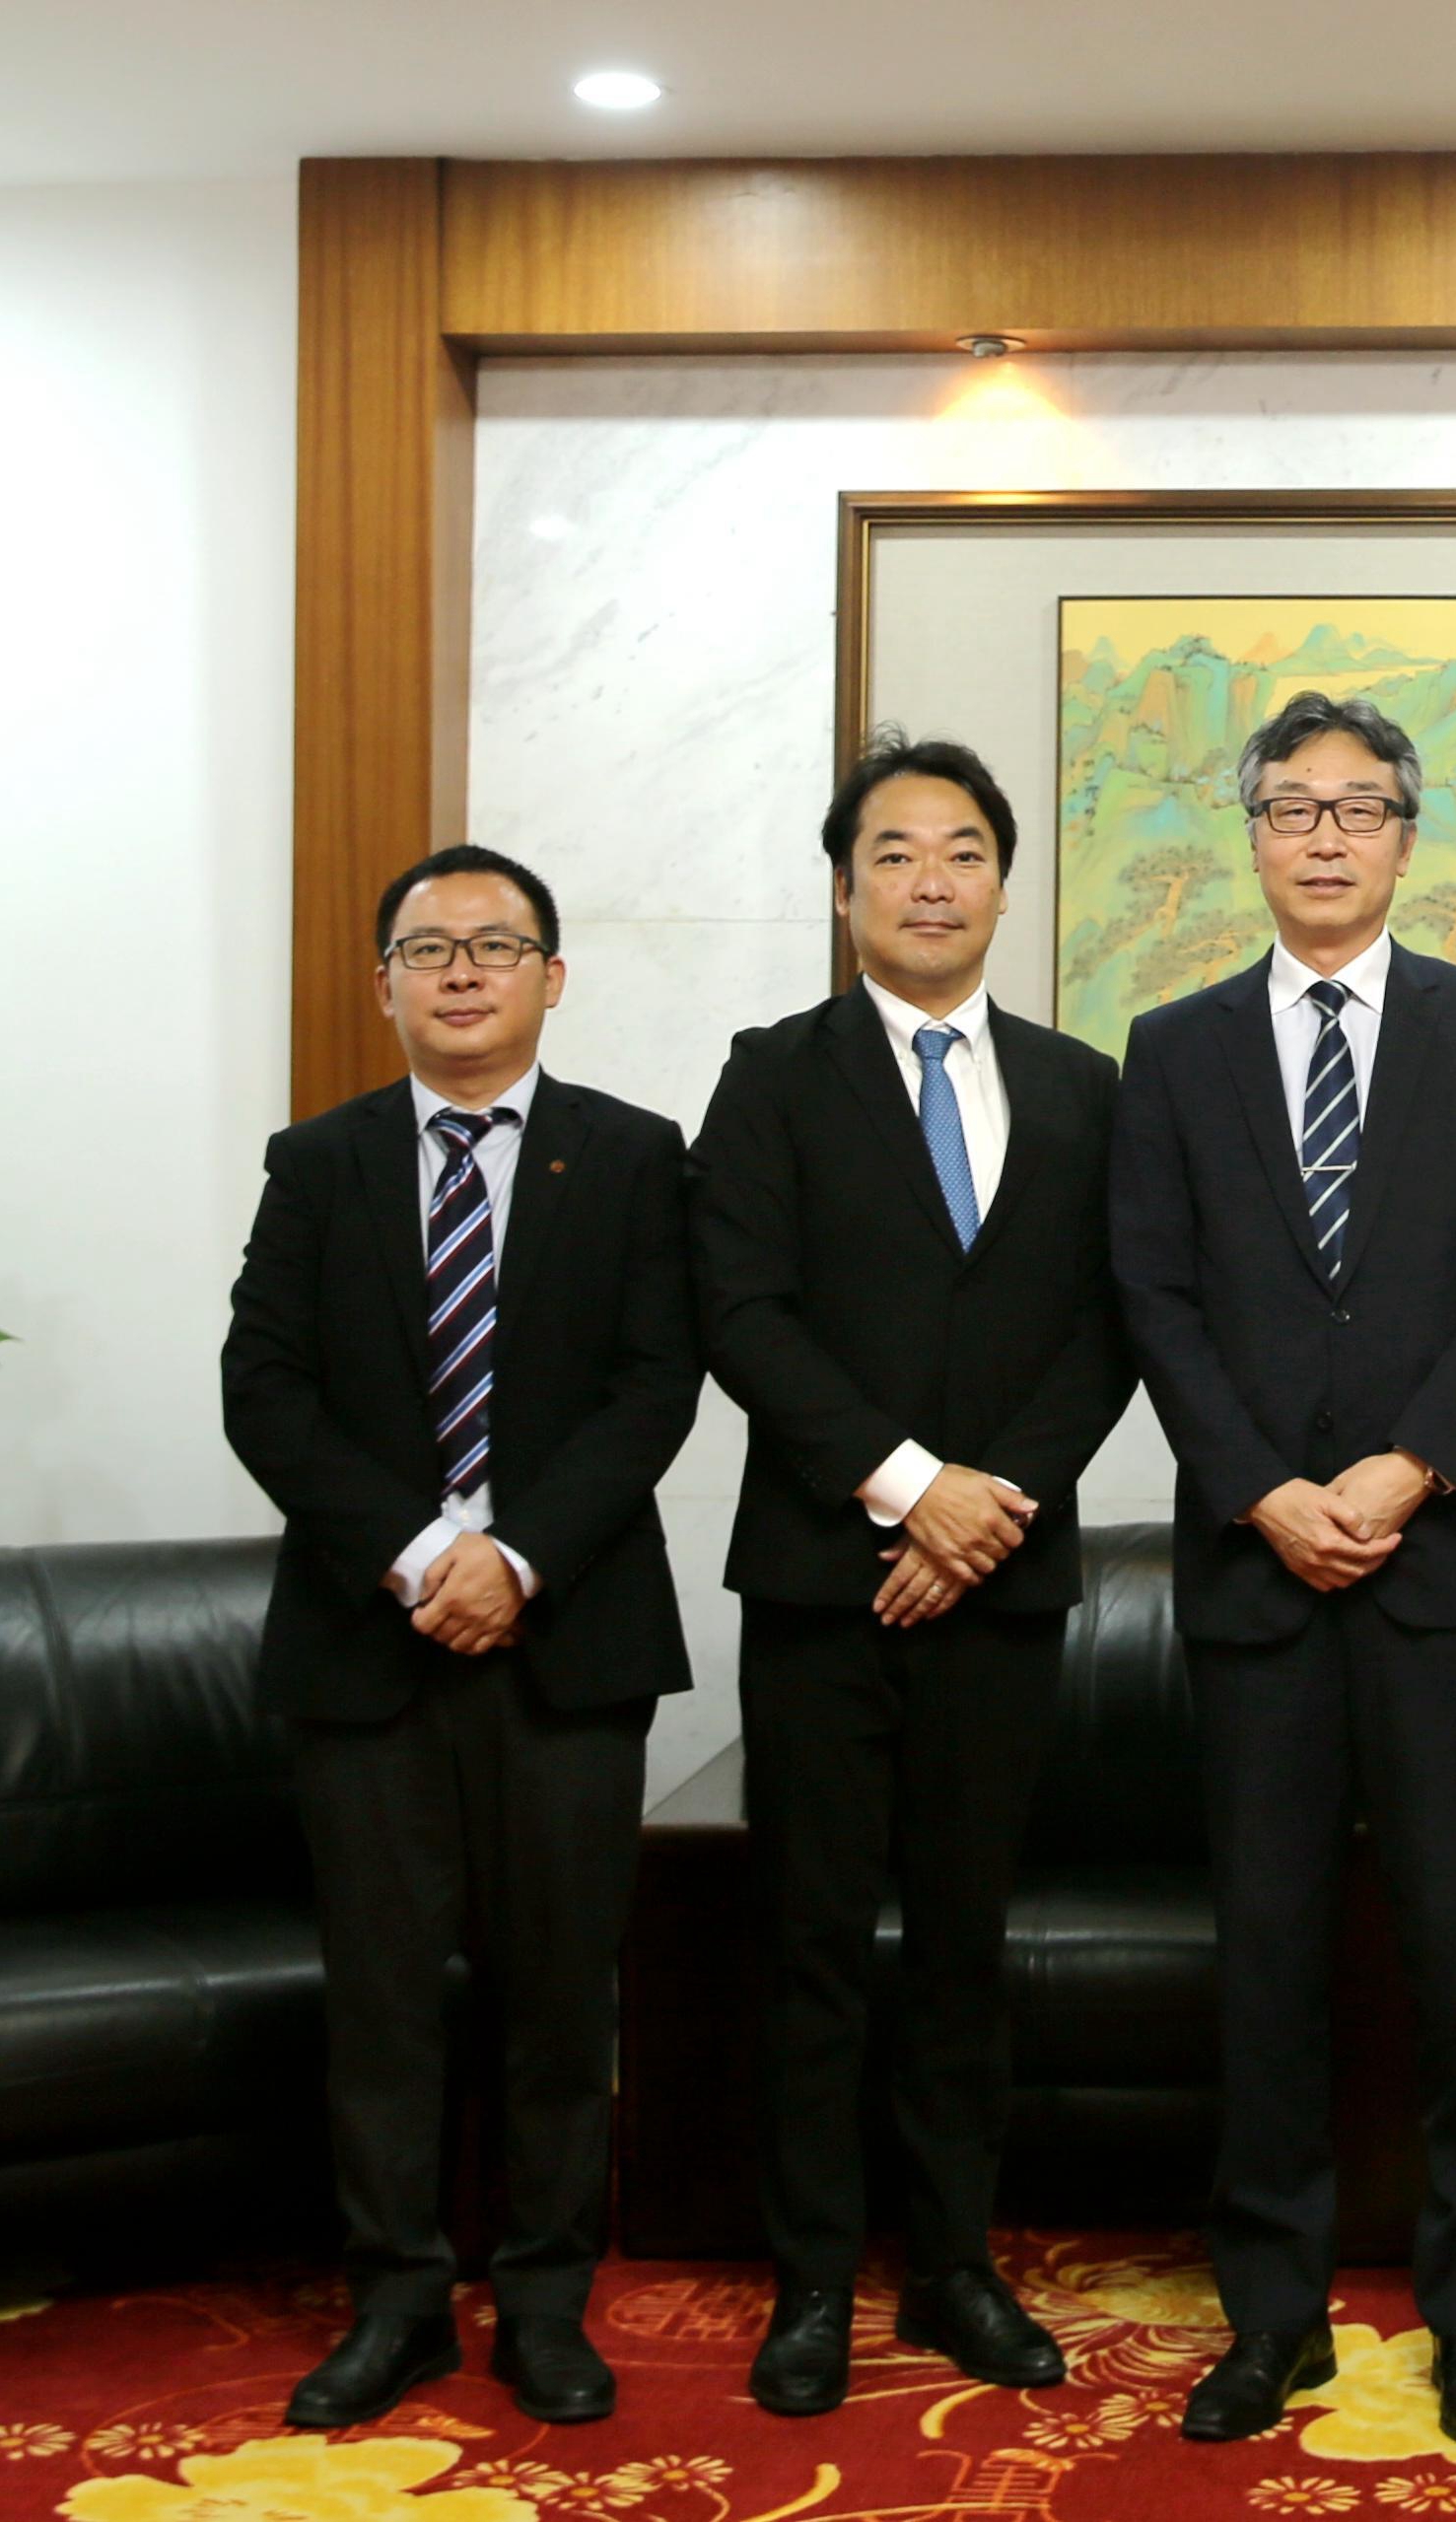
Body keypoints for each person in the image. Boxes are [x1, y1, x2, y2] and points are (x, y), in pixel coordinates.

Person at [1110, 693, 1456, 2449]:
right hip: (1258, 1575)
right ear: (1252, 835)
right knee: (1270, 1957)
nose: (1323, 834)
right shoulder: (1175, 1045)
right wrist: (1259, 1489)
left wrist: (1406, 1464)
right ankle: (1272, 2314)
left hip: (1442, 1567)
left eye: (1356, 806)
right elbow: (1153, 1288)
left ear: (1405, 835)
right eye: (1291, 806)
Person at [223, 845, 701, 2431]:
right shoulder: (320, 1162)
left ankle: (548, 2300)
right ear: (386, 986)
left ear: (553, 977)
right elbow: (264, 1390)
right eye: (429, 948)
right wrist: (429, 1552)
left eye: (497, 945)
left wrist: (521, 1556)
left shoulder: (633, 1155)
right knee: (382, 1998)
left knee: (562, 1991)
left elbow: (657, 1383)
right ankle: (399, 2301)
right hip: (369, 1646)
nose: (464, 971)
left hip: (571, 1641)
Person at [691, 736, 1137, 2416]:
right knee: (811, 1940)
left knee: (964, 1941)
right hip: (825, 1579)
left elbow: (1115, 1318)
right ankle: (813, 2278)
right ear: (843, 889)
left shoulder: (1084, 1086)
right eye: (894, 852)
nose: (930, 879)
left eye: (962, 851)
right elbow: (740, 1307)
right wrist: (907, 1487)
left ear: (1004, 885)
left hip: (999, 1585)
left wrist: (990, 1504)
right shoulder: (771, 1075)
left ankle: (954, 2262)